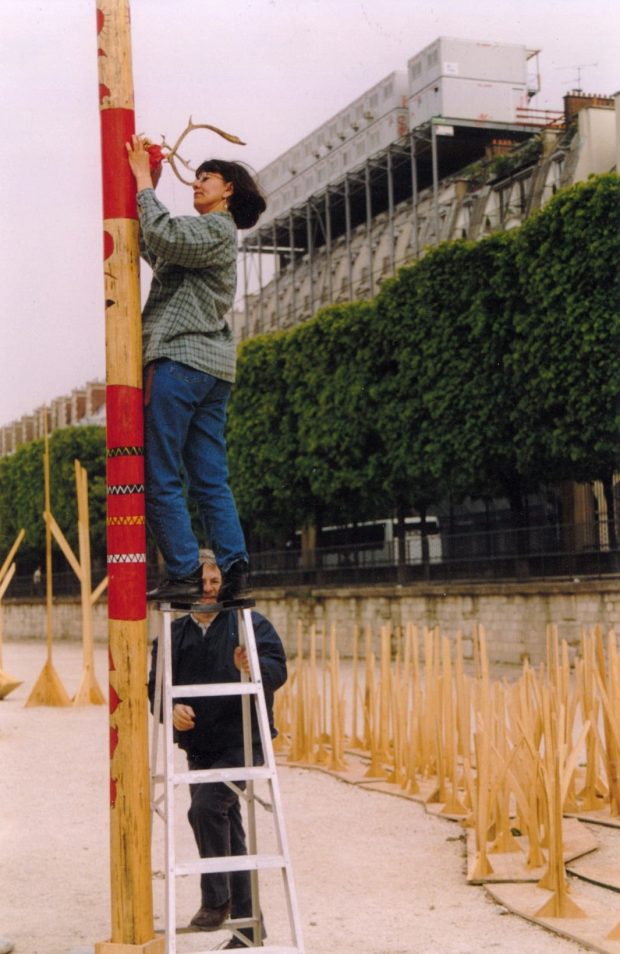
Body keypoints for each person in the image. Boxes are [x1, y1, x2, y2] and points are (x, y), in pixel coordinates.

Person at [126, 135, 267, 602]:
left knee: (162, 472)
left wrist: (144, 180)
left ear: (228, 189)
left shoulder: (216, 229)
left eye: (207, 176)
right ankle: (234, 568)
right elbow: (157, 246)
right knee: (209, 477)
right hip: (212, 369)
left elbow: (164, 236)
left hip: (181, 361)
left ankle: (185, 571)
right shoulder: (213, 238)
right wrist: (151, 185)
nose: (198, 182)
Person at [148, 552, 287, 948]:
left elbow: (279, 670)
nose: (207, 590)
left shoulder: (248, 624)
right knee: (229, 828)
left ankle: (217, 899)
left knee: (206, 807)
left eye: (213, 582)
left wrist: (252, 667)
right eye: (200, 583)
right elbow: (154, 689)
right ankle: (248, 926)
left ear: (223, 583)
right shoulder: (172, 635)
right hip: (200, 747)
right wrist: (171, 710)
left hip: (244, 742)